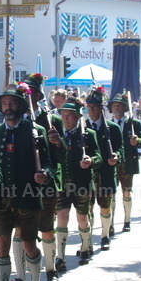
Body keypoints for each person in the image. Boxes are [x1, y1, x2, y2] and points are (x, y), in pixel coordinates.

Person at [0, 84, 53, 281]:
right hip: (1, 200)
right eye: (5, 103)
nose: (8, 107)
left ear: (21, 106)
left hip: (28, 197)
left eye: (12, 102)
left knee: (29, 245)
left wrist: (43, 175)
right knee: (2, 245)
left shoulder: (35, 131)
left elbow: (48, 164)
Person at [25, 73, 65, 281]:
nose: (26, 98)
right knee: (22, 232)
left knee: (47, 227)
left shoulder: (52, 120)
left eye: (30, 93)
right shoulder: (18, 120)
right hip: (23, 185)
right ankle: (24, 276)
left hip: (47, 183)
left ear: (39, 96)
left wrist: (58, 143)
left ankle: (50, 268)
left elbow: (62, 156)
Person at [55, 98, 101, 266]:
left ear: (77, 117)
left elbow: (99, 157)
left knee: (82, 218)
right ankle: (60, 256)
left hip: (82, 183)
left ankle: (85, 247)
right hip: (63, 185)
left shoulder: (88, 134)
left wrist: (91, 160)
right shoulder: (57, 135)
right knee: (62, 215)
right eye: (63, 115)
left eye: (69, 115)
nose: (65, 119)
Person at [84, 87, 123, 250]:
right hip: (88, 174)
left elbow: (121, 148)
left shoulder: (112, 128)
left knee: (105, 206)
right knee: (87, 208)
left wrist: (116, 157)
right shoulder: (83, 127)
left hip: (106, 172)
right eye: (90, 107)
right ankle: (88, 240)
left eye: (96, 107)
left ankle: (104, 235)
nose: (93, 110)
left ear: (102, 108)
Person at [108, 93, 141, 232]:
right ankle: (109, 222)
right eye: (114, 105)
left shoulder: (134, 123)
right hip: (113, 163)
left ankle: (127, 220)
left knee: (126, 192)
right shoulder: (108, 124)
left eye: (119, 105)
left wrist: (137, 141)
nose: (116, 107)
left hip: (128, 163)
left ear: (124, 107)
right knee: (110, 193)